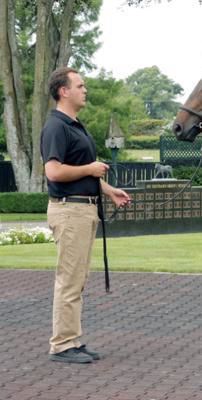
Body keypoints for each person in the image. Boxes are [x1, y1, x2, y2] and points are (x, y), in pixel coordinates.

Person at [41, 67, 130, 363]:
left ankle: (72, 340)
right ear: (63, 91)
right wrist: (90, 169)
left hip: (83, 209)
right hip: (70, 211)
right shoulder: (56, 127)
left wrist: (108, 189)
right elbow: (53, 171)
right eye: (80, 85)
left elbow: (81, 172)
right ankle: (62, 345)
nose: (85, 89)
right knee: (69, 279)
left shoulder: (75, 125)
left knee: (76, 279)